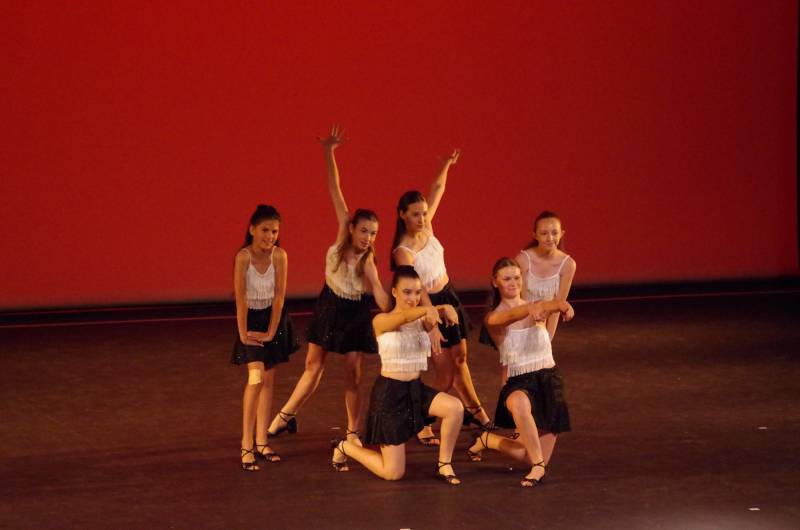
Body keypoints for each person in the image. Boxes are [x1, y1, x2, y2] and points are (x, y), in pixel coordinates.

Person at [268, 126, 390, 446]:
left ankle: (352, 430)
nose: (368, 238)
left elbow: (379, 293)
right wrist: (328, 152)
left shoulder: (369, 262)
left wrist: (394, 304)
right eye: (364, 231)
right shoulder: (341, 240)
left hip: (354, 315)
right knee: (312, 364)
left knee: (353, 375)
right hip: (329, 304)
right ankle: (286, 416)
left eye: (374, 234)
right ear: (352, 228)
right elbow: (334, 188)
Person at [391, 149, 493, 444]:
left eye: (423, 212)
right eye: (415, 214)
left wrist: (445, 165)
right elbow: (417, 288)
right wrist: (432, 322)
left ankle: (477, 413)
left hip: (450, 296)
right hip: (430, 307)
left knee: (461, 358)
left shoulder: (429, 226)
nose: (422, 217)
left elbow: (438, 190)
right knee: (445, 374)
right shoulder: (403, 251)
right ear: (402, 215)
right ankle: (422, 422)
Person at [330, 266, 464, 485]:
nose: (413, 298)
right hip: (390, 396)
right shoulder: (381, 321)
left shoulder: (423, 320)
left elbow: (434, 319)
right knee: (393, 473)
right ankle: (344, 446)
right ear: (394, 292)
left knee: (455, 408)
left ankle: (444, 464)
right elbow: (403, 317)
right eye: (407, 292)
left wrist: (445, 308)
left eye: (417, 292)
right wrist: (436, 307)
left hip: (415, 390)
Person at [467, 258, 573, 487]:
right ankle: (538, 467)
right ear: (495, 283)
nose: (513, 282)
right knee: (519, 403)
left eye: (517, 277)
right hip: (518, 382)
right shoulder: (492, 318)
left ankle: (488, 440)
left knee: (528, 455)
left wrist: (563, 305)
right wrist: (534, 306)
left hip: (548, 380)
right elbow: (509, 317)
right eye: (507, 278)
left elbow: (553, 304)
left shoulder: (538, 305)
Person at [232, 204, 298, 471]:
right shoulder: (243, 257)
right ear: (252, 230)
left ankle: (262, 441)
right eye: (265, 230)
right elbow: (241, 299)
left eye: (274, 231)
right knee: (255, 377)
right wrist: (243, 334)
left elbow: (280, 297)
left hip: (274, 320)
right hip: (250, 322)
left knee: (268, 379)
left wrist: (272, 332)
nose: (270, 236)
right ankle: (246, 443)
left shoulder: (280, 256)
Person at [516, 211, 576, 339]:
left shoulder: (568, 264)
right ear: (535, 235)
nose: (550, 238)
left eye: (554, 233)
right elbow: (521, 303)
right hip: (521, 324)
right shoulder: (523, 260)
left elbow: (558, 305)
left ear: (562, 234)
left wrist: (548, 339)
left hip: (544, 327)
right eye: (544, 233)